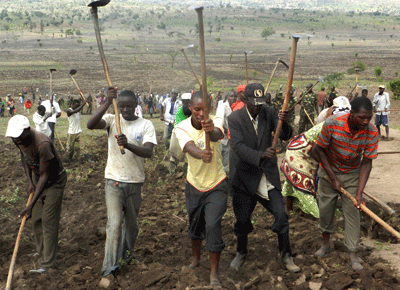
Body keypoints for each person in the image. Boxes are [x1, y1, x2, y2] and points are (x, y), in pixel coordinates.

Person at [228, 83, 300, 273]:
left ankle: (286, 255)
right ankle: (241, 252)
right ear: (244, 100)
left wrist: (282, 122)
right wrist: (260, 155)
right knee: (242, 220)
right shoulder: (234, 118)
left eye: (261, 103)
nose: (257, 107)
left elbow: (284, 136)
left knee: (281, 214)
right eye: (254, 104)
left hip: (266, 176)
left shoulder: (268, 112)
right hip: (244, 177)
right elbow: (237, 146)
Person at [87, 87, 157, 277]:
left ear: (136, 106)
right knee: (115, 224)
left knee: (132, 226)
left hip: (135, 182)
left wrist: (128, 145)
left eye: (129, 107)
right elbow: (90, 124)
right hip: (114, 181)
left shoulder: (146, 125)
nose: (125, 110)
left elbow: (148, 152)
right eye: (121, 106)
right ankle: (108, 268)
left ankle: (126, 256)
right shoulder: (112, 120)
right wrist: (108, 103)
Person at [310, 97, 378, 271]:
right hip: (328, 171)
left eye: (368, 118)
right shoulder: (332, 123)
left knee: (353, 211)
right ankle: (326, 244)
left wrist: (359, 193)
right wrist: (333, 178)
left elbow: (367, 162)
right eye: (361, 117)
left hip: (352, 173)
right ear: (351, 113)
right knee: (326, 209)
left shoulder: (371, 131)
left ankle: (353, 253)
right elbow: (319, 150)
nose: (365, 121)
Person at [175, 91, 228, 288]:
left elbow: (217, 135)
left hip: (217, 184)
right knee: (195, 223)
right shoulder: (181, 127)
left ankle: (214, 273)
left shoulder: (215, 122)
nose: (201, 114)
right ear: (190, 107)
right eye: (197, 109)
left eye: (205, 110)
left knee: (213, 225)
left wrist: (210, 129)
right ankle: (196, 259)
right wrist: (200, 154)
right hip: (194, 184)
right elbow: (188, 146)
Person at [5, 115, 67, 273]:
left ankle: (47, 263)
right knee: (36, 219)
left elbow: (45, 176)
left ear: (27, 130)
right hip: (37, 178)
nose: (16, 139)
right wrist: (29, 181)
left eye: (19, 136)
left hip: (54, 181)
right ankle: (41, 250)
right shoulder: (17, 138)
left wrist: (30, 205)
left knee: (48, 220)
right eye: (14, 136)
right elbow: (24, 157)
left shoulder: (42, 143)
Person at [281, 97, 352, 218]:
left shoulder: (340, 123)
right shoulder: (332, 125)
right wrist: (332, 173)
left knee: (291, 182)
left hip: (301, 147)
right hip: (301, 152)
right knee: (304, 185)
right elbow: (318, 151)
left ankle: (288, 209)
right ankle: (317, 217)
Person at [215, 89, 236, 175]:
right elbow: (219, 120)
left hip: (230, 138)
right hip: (223, 136)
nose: (233, 98)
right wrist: (225, 130)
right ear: (227, 97)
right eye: (231, 96)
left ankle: (224, 178)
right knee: (219, 158)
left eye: (235, 96)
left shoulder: (235, 107)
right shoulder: (223, 106)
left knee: (226, 160)